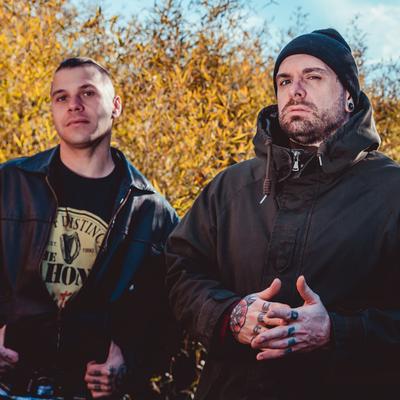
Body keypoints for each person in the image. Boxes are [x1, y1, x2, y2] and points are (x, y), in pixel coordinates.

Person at [165, 28, 400, 399]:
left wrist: (336, 331)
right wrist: (229, 316)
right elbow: (180, 271)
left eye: (313, 77)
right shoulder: (231, 187)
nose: (296, 91)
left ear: (349, 97)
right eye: (285, 81)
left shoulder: (391, 192)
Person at [0, 57, 178, 399]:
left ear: (116, 106)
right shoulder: (10, 184)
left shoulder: (153, 213)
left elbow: (170, 316)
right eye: (61, 97)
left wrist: (129, 361)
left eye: (87, 93)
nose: (74, 105)